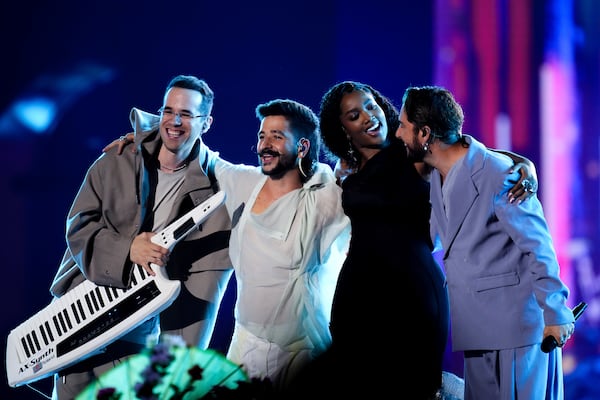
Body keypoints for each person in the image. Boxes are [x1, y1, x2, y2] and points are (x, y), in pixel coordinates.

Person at [287, 81, 538, 399]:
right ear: (342, 129)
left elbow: (475, 154)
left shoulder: (412, 152)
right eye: (354, 115)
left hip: (410, 295)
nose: (367, 116)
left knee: (406, 386)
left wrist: (525, 166)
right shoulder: (348, 168)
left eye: (370, 105)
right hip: (358, 297)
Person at [107, 99, 351, 393]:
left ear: (301, 148)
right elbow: (200, 154)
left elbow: (364, 186)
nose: (265, 145)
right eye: (262, 135)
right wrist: (150, 139)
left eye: (277, 136)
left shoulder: (325, 198)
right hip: (245, 346)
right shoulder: (246, 182)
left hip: (301, 355)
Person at [49, 75, 233, 400]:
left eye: (187, 114)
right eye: (168, 111)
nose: (175, 122)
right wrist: (128, 248)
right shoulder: (116, 160)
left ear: (206, 123)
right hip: (75, 319)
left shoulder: (215, 184)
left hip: (134, 334)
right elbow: (78, 227)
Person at [396, 85, 575, 400]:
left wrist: (557, 311)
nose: (398, 134)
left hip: (517, 330)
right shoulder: (437, 175)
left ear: (424, 133)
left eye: (403, 126)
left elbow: (538, 245)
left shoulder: (497, 173)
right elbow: (436, 237)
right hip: (476, 329)